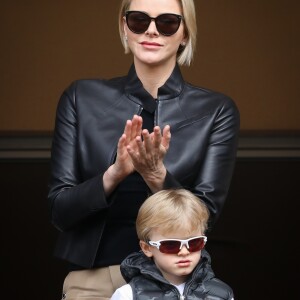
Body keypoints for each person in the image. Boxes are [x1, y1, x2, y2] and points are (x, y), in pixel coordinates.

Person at [48, 0, 239, 299]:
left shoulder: (216, 110)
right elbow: (60, 211)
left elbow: (206, 215)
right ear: (125, 28)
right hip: (94, 279)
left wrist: (156, 176)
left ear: (185, 33)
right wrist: (114, 174)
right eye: (139, 20)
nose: (151, 30)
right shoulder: (80, 98)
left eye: (167, 23)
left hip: (175, 283)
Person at [111, 189, 234, 300]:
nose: (184, 252)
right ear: (147, 248)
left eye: (194, 242)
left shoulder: (221, 294)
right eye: (170, 245)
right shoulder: (128, 295)